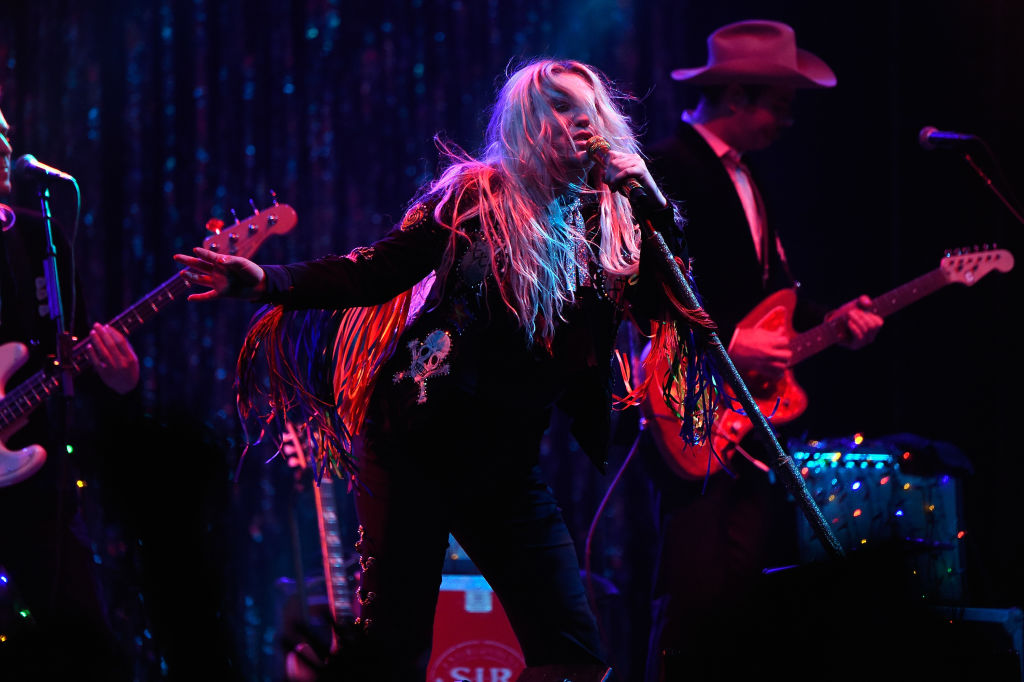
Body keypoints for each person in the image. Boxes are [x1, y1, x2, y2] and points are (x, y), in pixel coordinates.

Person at [174, 58, 720, 680]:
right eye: (562, 109)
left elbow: (674, 308)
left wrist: (653, 205)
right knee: (392, 651)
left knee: (573, 653)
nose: (580, 123)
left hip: (507, 466)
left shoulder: (618, 222)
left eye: (589, 110)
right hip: (414, 445)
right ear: (529, 124)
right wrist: (267, 280)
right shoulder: (476, 198)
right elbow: (374, 270)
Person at [639, 20, 885, 680]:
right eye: (781, 103)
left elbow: (773, 286)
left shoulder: (751, 178)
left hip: (750, 418)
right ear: (740, 96)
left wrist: (832, 319)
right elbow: (639, 283)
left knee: (737, 591)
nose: (789, 120)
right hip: (690, 404)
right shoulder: (666, 168)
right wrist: (722, 339)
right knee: (690, 590)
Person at [0, 101, 140, 678]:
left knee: (83, 646)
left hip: (39, 488)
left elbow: (72, 349)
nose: (4, 146)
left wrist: (120, 377)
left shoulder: (37, 236)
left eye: (5, 134)